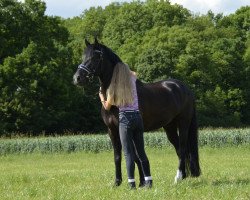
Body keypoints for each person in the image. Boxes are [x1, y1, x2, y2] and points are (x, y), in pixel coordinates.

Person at [99, 62, 152, 189]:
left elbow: (107, 107)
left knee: (128, 153)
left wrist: (101, 96)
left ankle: (131, 184)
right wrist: (126, 70)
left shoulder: (113, 87)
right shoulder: (132, 79)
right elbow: (134, 73)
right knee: (141, 152)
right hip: (137, 117)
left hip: (125, 119)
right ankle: (149, 181)